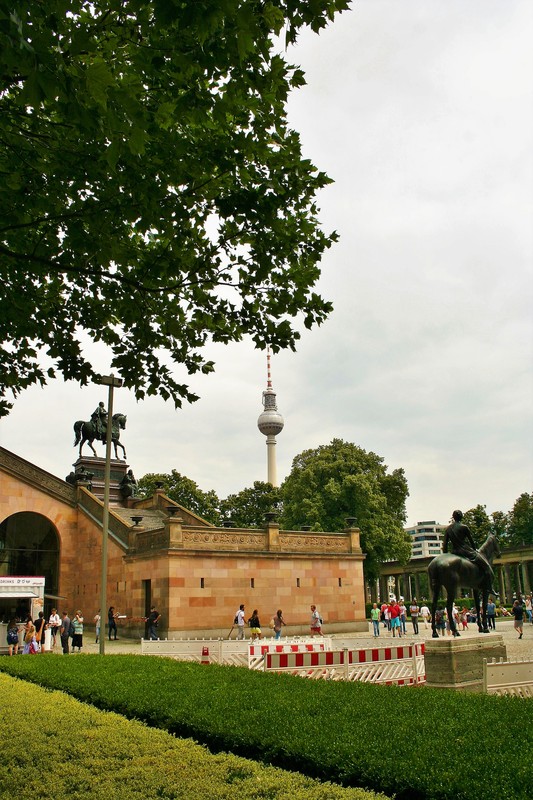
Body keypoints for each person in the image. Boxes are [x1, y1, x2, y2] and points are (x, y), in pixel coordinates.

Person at [443, 510, 499, 596]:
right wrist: (475, 550)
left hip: (454, 552)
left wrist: (445, 555)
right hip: (465, 551)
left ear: (453, 517)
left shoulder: (448, 529)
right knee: (487, 567)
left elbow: (445, 545)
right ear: (461, 516)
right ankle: (490, 588)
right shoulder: (464, 527)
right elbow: (471, 541)